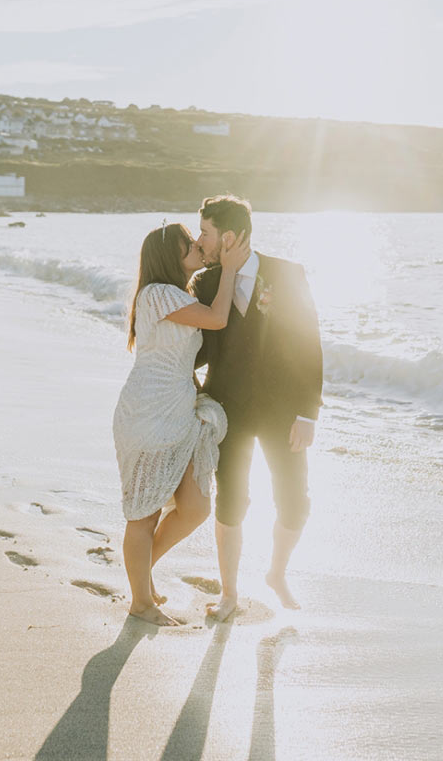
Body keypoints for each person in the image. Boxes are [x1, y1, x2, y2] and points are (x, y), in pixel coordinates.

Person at [190, 195, 323, 621]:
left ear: (229, 237)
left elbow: (309, 343)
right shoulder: (206, 283)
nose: (201, 241)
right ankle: (229, 593)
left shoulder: (287, 274)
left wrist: (308, 413)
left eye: (206, 234)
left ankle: (276, 572)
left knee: (295, 501)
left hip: (284, 411)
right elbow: (197, 351)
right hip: (227, 407)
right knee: (232, 499)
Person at [113, 221, 250, 626]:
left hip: (175, 411)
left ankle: (141, 576)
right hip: (148, 412)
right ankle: (141, 602)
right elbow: (217, 318)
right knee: (144, 514)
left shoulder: (175, 294)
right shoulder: (157, 294)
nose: (195, 245)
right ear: (169, 255)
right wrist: (228, 269)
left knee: (194, 507)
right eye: (187, 242)